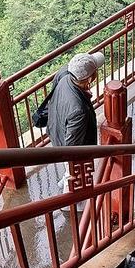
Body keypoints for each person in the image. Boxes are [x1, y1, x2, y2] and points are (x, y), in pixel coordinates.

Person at [47, 51, 105, 195]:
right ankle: (68, 200)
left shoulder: (64, 73)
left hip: (56, 130)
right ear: (89, 79)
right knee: (73, 172)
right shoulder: (78, 110)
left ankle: (64, 179)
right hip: (66, 146)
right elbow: (72, 148)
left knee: (68, 166)